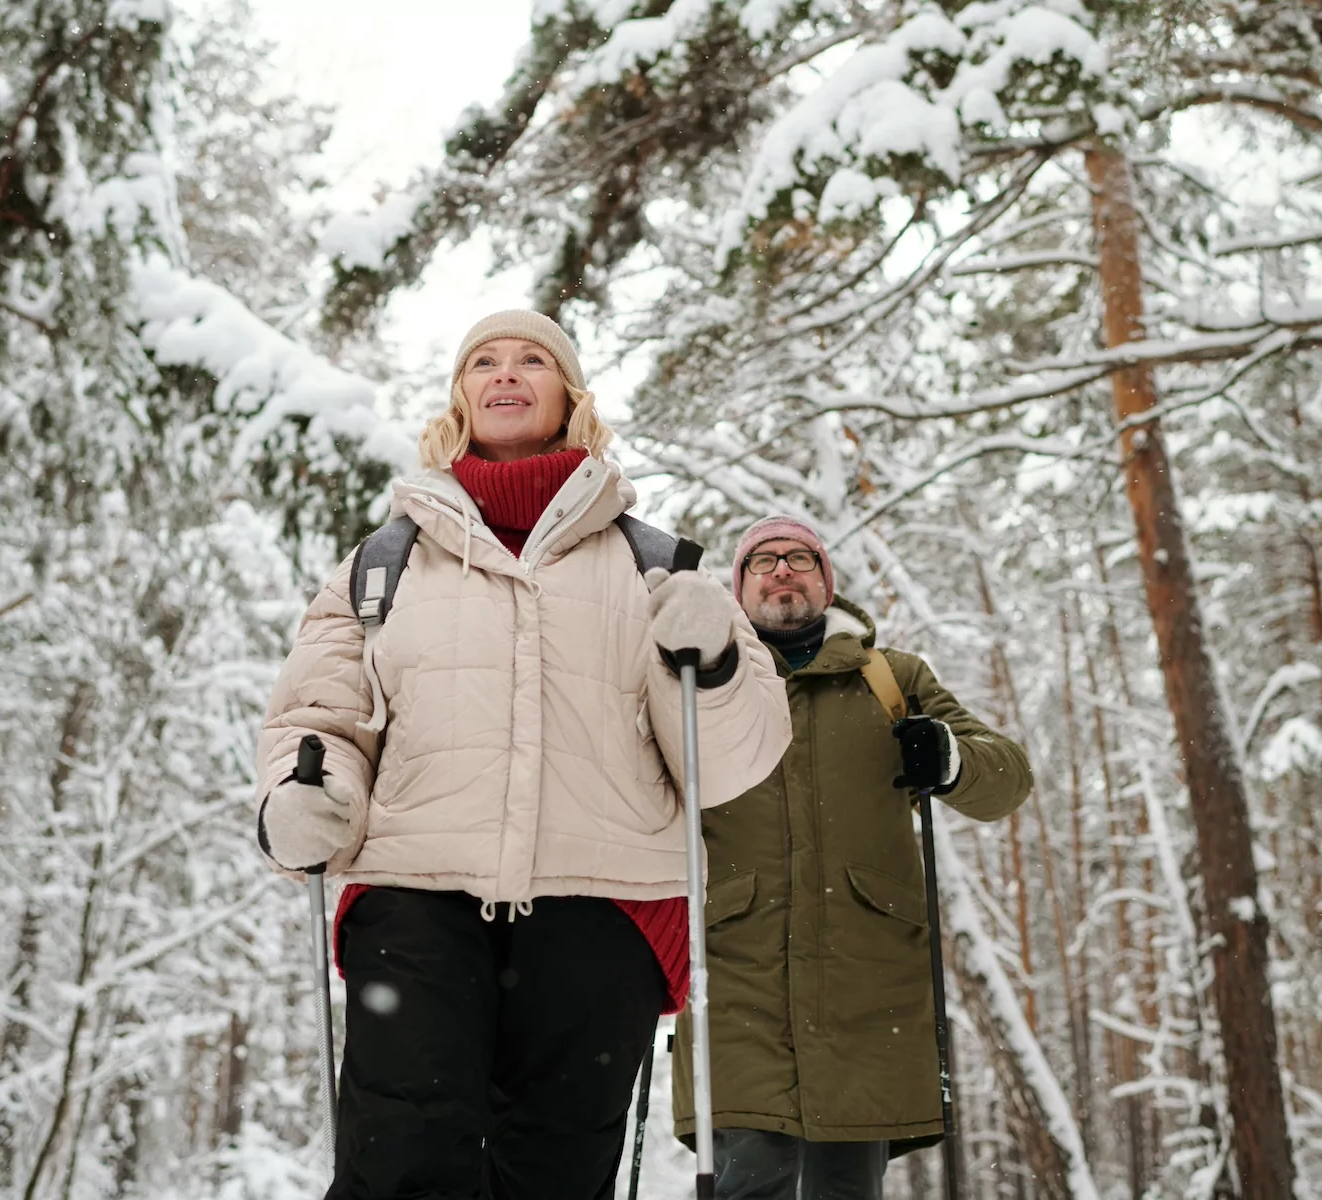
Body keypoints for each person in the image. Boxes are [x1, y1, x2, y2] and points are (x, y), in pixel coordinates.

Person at [253, 311, 792, 1200]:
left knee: (553, 1176)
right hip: (417, 898)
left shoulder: (655, 565)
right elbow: (321, 722)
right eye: (485, 362)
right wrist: (308, 800)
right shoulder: (383, 566)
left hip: (603, 909)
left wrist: (719, 663)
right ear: (462, 396)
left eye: (532, 360)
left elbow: (728, 761)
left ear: (568, 394)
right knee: (401, 1164)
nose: (506, 375)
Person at [671, 515, 1033, 1200]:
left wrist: (951, 759)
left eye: (800, 559)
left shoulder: (891, 679)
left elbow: (1007, 779)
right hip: (734, 979)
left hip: (868, 989)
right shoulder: (703, 682)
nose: (782, 571)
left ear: (826, 582)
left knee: (847, 1190)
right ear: (738, 589)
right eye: (763, 562)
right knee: (748, 1180)